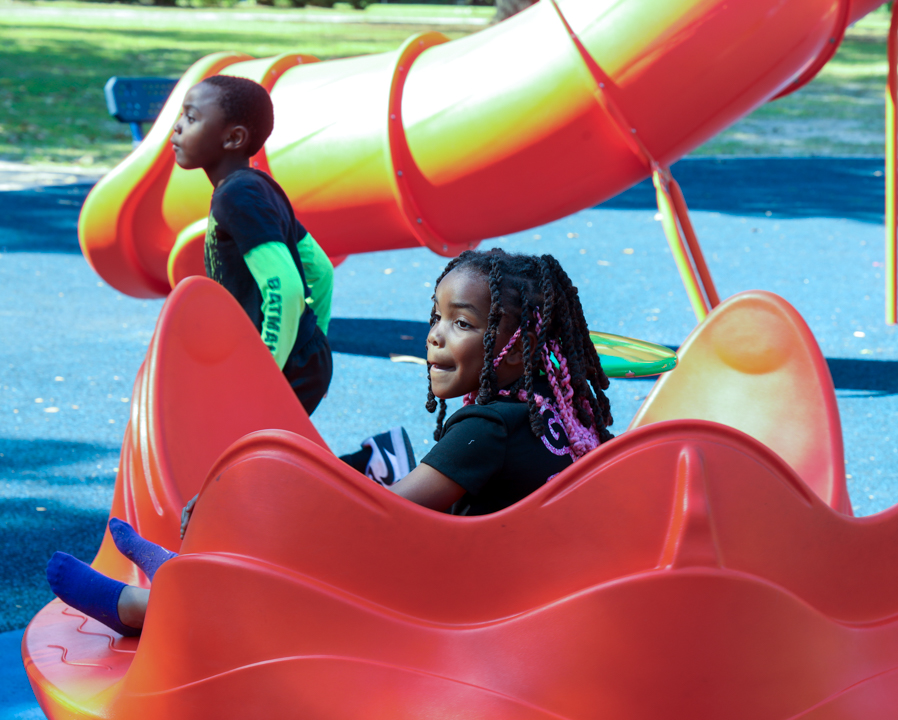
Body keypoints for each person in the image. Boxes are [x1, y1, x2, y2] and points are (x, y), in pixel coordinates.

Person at [46, 248, 614, 636]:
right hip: (525, 587)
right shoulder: (558, 413)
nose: (436, 335)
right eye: (437, 316)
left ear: (513, 348)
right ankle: (191, 572)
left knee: (316, 558)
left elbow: (382, 515)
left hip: (467, 605)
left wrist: (272, 511)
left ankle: (149, 606)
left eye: (463, 324)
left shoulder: (485, 429)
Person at [172, 74, 334, 416]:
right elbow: (320, 270)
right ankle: (377, 457)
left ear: (233, 138)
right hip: (300, 360)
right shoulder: (258, 187)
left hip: (281, 367)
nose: (177, 127)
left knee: (238, 458)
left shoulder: (238, 196)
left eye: (191, 117)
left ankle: (371, 461)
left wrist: (264, 370)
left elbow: (284, 287)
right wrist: (313, 338)